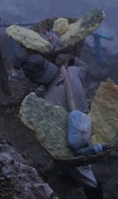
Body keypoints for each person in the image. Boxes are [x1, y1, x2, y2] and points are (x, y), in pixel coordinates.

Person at [14, 53, 104, 199]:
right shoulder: (71, 72)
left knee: (86, 174)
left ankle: (93, 192)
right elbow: (84, 67)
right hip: (88, 121)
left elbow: (56, 129)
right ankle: (57, 172)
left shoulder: (50, 98)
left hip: (76, 135)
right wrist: (71, 59)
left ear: (37, 80)